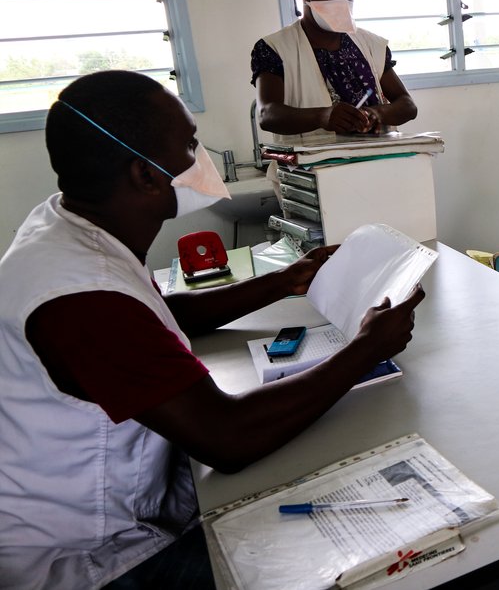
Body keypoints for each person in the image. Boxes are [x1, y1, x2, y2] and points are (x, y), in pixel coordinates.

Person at [0, 70, 425, 589]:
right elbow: (226, 437)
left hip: (124, 502)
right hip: (87, 560)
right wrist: (365, 350)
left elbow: (161, 317)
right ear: (145, 176)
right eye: (189, 144)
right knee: (364, 545)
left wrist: (286, 281)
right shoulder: (81, 298)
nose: (201, 157)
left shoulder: (67, 230)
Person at [252, 0, 417, 140]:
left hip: (381, 163)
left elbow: (407, 105)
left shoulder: (371, 45)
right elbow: (267, 114)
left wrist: (377, 113)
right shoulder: (275, 49)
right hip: (315, 168)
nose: (343, 3)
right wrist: (321, 116)